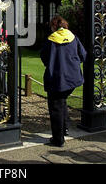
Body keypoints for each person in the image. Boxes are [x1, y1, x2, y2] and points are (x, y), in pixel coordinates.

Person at [40, 15, 86, 147]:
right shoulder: (73, 37)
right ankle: (65, 128)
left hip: (57, 79)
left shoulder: (51, 40)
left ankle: (58, 139)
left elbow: (44, 57)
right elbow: (83, 55)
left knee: (56, 109)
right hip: (73, 79)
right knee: (62, 102)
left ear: (54, 26)